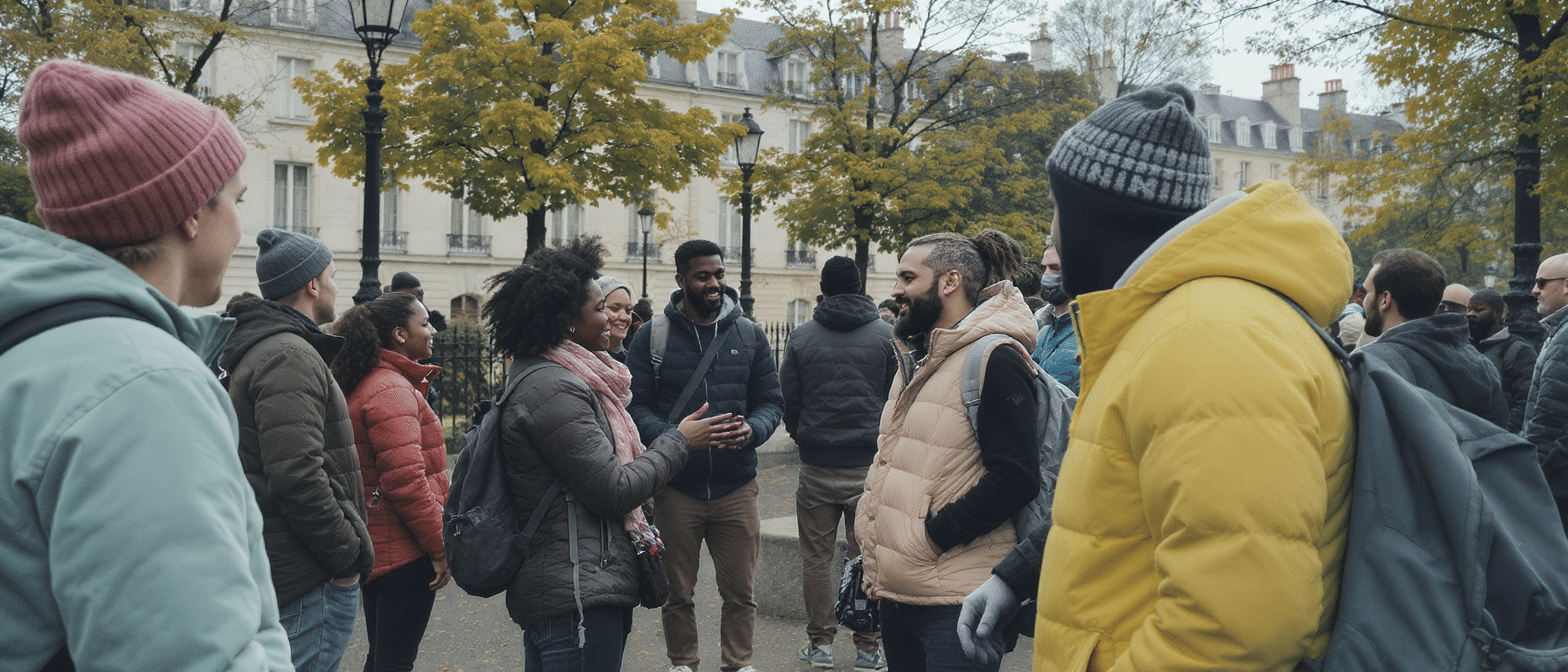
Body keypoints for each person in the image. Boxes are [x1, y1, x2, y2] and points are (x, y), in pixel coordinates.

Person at [1025, 83, 1355, 672]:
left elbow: (1236, 632)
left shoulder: (1210, 338)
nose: (1050, 233)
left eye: (1057, 207)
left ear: (1094, 216)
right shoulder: (1186, 325)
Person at [0, 60, 291, 671]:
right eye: (235, 200)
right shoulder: (142, 385)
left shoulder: (30, 348)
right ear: (189, 211)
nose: (242, 227)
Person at [484, 237, 744, 671]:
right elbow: (614, 489)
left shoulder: (565, 378)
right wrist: (680, 441)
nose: (612, 318)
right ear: (568, 321)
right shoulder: (555, 389)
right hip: (575, 594)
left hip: (578, 583)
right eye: (600, 309)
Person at [856, 229, 1041, 672]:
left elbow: (1017, 476)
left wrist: (930, 537)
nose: (896, 290)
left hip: (958, 601)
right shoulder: (920, 357)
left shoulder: (994, 357)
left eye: (907, 277)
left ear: (949, 282)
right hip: (901, 593)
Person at [625, 239, 785, 672]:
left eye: (718, 274)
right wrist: (678, 438)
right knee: (678, 592)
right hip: (678, 488)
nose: (714, 284)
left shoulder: (748, 334)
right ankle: (683, 663)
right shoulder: (652, 337)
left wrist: (754, 429)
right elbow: (634, 407)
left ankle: (738, 663)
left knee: (741, 592)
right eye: (703, 276)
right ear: (681, 280)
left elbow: (772, 400)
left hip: (737, 485)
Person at [220, 229, 374, 672]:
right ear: (311, 284)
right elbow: (297, 474)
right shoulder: (289, 355)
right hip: (307, 576)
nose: (336, 286)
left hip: (287, 567)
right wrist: (346, 557)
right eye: (332, 275)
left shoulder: (268, 348)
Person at [781, 256, 895, 672]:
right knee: (865, 556)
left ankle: (821, 645)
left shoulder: (802, 336)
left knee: (815, 558)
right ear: (861, 285)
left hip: (816, 464)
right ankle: (868, 647)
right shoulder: (887, 335)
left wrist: (802, 435)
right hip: (867, 466)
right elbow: (894, 401)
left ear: (823, 289)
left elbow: (789, 400)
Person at [331, 291, 451, 672]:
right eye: (425, 323)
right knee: (394, 662)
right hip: (405, 550)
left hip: (381, 544)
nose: (433, 330)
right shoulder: (392, 389)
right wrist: (439, 547)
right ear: (399, 334)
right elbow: (406, 482)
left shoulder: (372, 380)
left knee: (383, 659)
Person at [1357, 249, 1509, 427]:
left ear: (1385, 299)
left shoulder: (1370, 364)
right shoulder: (1483, 366)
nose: (1363, 301)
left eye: (1367, 292)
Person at [1523, 252, 1568, 535]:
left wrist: (1532, 471)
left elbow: (1550, 415)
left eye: (1541, 282)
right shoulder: (1559, 332)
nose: (1534, 290)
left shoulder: (1565, 337)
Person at [1469, 288, 1538, 432]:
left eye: (1477, 310)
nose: (1470, 314)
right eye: (1468, 309)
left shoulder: (1519, 351)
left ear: (1497, 313)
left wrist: (1503, 436)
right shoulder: (1465, 347)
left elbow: (1526, 403)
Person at [1031, 244, 1078, 393]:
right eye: (1044, 269)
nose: (1046, 275)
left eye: (1055, 268)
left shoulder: (1092, 332)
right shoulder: (1040, 330)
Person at [598, 275, 637, 362]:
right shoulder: (577, 359)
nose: (624, 317)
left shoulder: (637, 359)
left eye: (628, 310)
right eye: (614, 309)